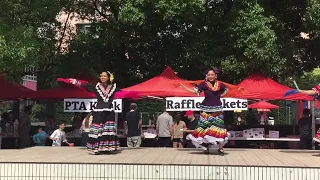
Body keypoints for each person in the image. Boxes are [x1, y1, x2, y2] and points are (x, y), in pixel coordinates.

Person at [68, 71, 120, 154]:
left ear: (108, 78)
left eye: (104, 76)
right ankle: (95, 148)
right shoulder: (96, 86)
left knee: (107, 130)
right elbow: (84, 85)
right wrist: (75, 82)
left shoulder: (113, 87)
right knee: (97, 130)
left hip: (109, 112)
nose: (102, 77)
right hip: (99, 111)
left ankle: (106, 148)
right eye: (101, 76)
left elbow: (124, 91)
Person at [180, 69, 229, 155]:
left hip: (217, 110)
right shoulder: (204, 84)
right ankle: (206, 147)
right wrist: (184, 87)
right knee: (204, 130)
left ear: (215, 76)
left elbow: (225, 92)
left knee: (219, 129)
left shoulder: (220, 85)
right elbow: (194, 91)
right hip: (206, 110)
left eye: (212, 74)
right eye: (209, 75)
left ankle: (220, 148)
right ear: (206, 76)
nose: (211, 76)